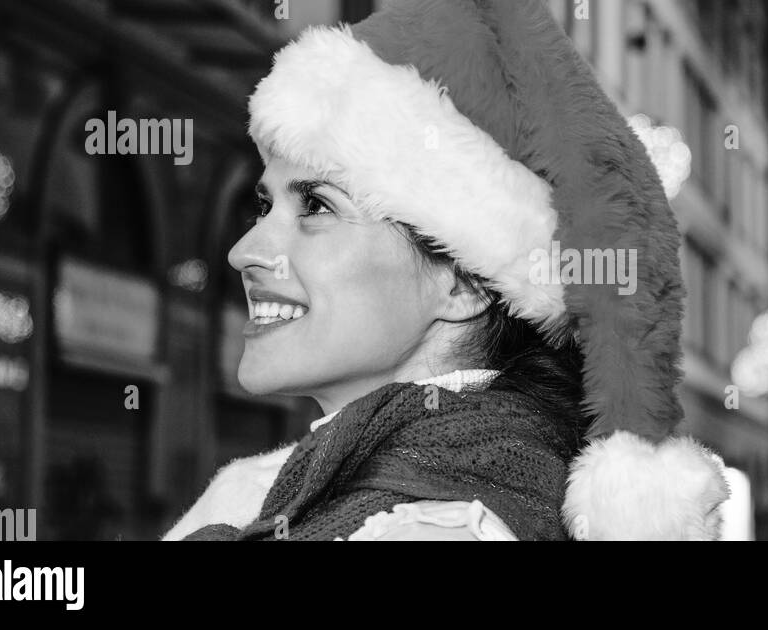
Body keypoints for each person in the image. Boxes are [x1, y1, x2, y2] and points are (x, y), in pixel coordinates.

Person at [162, 0, 727, 541]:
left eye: (317, 206)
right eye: (266, 206)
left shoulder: (433, 525)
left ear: (462, 283)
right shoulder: (322, 488)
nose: (244, 251)